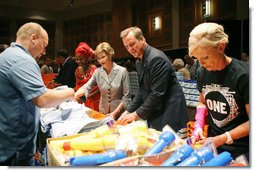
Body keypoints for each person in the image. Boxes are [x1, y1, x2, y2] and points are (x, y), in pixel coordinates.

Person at [0, 22, 75, 166]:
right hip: (15, 146)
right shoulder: (21, 59)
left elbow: (35, 91)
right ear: (33, 38)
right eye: (44, 45)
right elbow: (42, 99)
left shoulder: (9, 55)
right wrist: (70, 93)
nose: (44, 52)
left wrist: (56, 92)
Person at [188, 22, 249, 161]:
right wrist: (198, 124)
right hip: (213, 143)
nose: (201, 64)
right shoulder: (202, 72)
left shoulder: (244, 75)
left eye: (205, 57)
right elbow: (202, 102)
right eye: (198, 59)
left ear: (221, 47)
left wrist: (224, 138)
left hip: (241, 150)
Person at [117, 26, 188, 132]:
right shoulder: (138, 62)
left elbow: (157, 94)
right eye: (127, 47)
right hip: (156, 111)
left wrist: (136, 115)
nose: (130, 49)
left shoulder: (156, 59)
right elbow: (142, 90)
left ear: (142, 39)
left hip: (169, 111)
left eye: (132, 44)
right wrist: (128, 111)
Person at [75, 42, 131, 119]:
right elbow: (87, 87)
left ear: (110, 54)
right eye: (98, 58)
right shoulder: (97, 72)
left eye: (103, 57)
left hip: (119, 113)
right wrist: (79, 94)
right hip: (102, 112)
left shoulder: (122, 71)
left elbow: (127, 98)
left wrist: (116, 113)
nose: (100, 60)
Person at [74, 42, 100, 111]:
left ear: (87, 58)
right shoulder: (77, 71)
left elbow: (99, 88)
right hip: (81, 100)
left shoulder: (94, 70)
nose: (79, 61)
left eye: (81, 59)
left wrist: (86, 96)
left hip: (94, 101)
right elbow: (77, 86)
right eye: (77, 59)